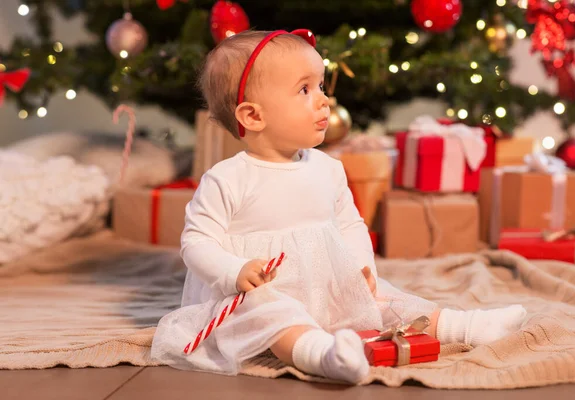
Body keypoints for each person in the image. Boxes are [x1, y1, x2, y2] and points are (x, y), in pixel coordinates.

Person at [151, 29, 527, 384]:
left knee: (388, 301)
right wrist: (234, 272)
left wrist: (363, 267)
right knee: (273, 317)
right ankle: (322, 355)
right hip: (262, 290)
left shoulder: (328, 169)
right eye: (303, 89)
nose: (323, 99)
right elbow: (197, 242)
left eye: (319, 85)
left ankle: (465, 326)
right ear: (253, 116)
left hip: (325, 280)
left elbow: (349, 224)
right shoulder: (228, 178)